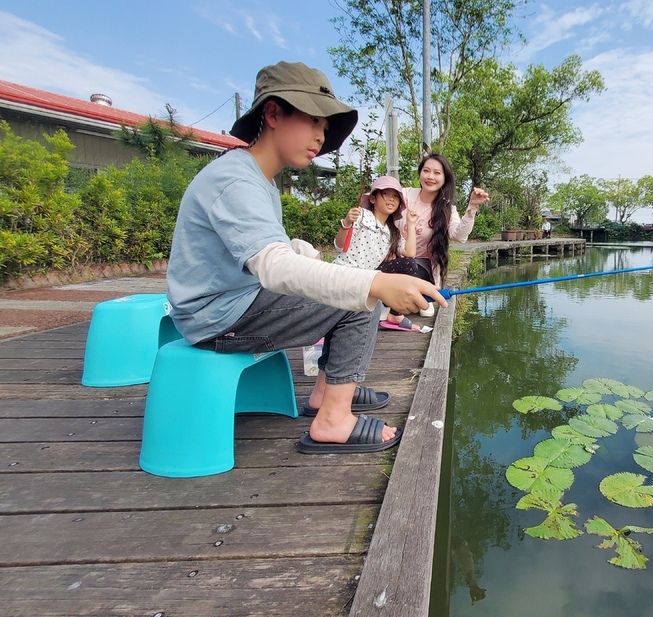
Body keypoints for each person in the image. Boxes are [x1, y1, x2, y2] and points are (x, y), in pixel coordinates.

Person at [166, 61, 445, 454]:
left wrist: (310, 255)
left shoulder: (255, 178)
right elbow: (273, 267)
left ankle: (327, 394)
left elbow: (271, 251)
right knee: (361, 299)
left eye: (324, 128)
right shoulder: (235, 180)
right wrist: (377, 283)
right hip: (216, 317)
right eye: (313, 121)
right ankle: (332, 419)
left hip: (233, 304)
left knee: (355, 289)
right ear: (274, 113)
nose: (320, 137)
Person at [378, 154, 489, 316]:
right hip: (389, 259)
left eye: (437, 173)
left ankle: (415, 295)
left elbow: (459, 236)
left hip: (419, 266)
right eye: (426, 171)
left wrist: (472, 207)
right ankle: (398, 301)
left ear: (445, 178)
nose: (430, 177)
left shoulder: (447, 209)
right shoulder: (403, 195)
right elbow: (378, 210)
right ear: (420, 173)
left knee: (411, 266)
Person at [331, 175, 428, 332]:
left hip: (369, 278)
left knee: (409, 264)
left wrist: (410, 224)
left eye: (395, 196)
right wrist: (347, 223)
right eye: (385, 194)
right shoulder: (361, 215)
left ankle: (394, 314)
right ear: (373, 199)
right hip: (344, 274)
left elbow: (410, 253)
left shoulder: (392, 231)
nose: (391, 199)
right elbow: (340, 246)